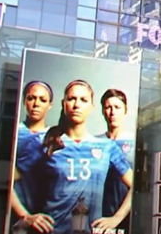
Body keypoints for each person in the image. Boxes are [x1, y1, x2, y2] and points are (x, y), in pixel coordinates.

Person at [19, 80, 134, 234]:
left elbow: (135, 185)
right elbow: (10, 181)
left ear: (92, 107)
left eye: (83, 100)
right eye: (72, 99)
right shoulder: (46, 141)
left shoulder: (106, 146)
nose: (76, 105)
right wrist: (26, 216)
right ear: (63, 103)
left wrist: (116, 218)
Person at [10, 81, 53, 229]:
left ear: (50, 105)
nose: (36, 104)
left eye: (43, 100)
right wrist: (24, 215)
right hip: (16, 219)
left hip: (50, 219)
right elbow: (6, 180)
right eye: (31, 98)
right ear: (24, 101)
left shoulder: (57, 138)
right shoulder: (14, 133)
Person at [98, 89, 135, 233]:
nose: (112, 112)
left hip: (126, 219)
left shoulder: (135, 143)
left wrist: (118, 217)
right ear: (102, 111)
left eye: (117, 107)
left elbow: (139, 186)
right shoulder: (96, 142)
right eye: (108, 107)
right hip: (99, 218)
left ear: (125, 110)